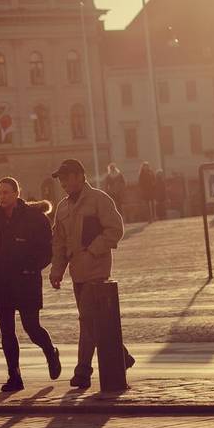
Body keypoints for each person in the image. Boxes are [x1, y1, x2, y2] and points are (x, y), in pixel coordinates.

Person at [0, 177, 60, 391]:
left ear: (17, 193)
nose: (2, 197)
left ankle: (50, 351)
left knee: (31, 326)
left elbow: (47, 249)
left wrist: (32, 266)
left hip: (26, 280)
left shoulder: (35, 219)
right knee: (7, 331)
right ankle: (14, 376)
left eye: (6, 192)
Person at [49, 158, 128, 390]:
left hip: (96, 271)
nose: (63, 183)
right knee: (96, 322)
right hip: (78, 273)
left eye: (66, 178)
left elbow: (115, 229)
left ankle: (83, 371)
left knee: (86, 320)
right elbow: (59, 243)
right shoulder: (62, 207)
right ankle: (122, 357)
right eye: (60, 179)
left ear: (79, 176)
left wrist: (93, 250)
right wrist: (57, 270)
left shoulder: (99, 200)